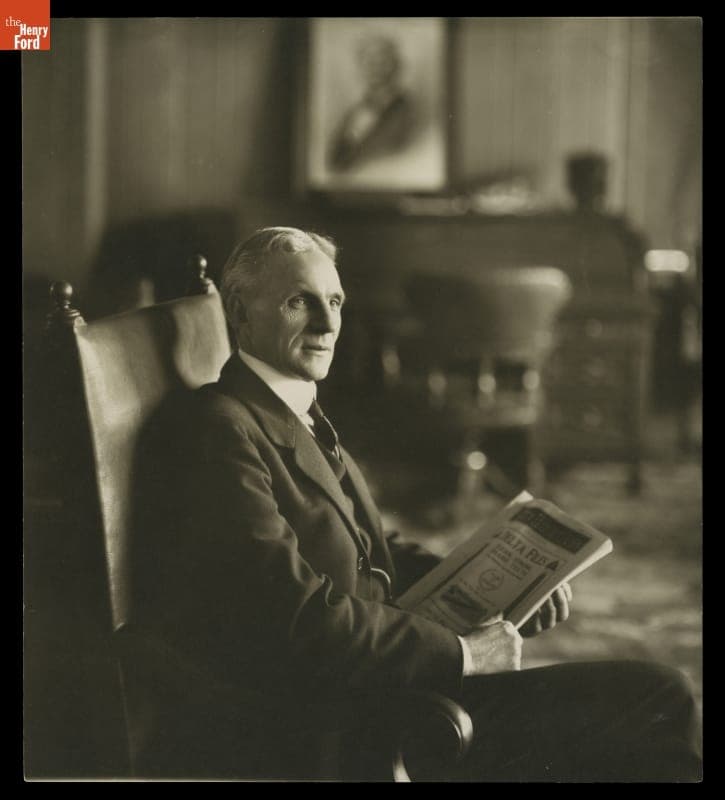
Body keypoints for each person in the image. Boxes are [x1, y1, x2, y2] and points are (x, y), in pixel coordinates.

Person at [132, 227, 702, 781]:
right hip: (352, 716)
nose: (329, 324)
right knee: (660, 698)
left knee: (652, 698)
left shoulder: (286, 405)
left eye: (334, 301)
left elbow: (371, 550)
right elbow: (297, 616)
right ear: (239, 308)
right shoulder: (221, 427)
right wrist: (462, 654)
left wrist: (505, 596)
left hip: (393, 671)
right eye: (300, 303)